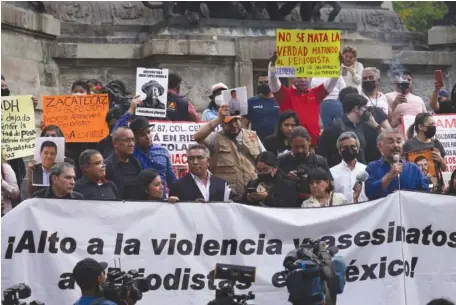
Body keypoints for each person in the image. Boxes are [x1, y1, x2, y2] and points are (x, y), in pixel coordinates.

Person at [194, 105, 265, 201]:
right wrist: (218, 119)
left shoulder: (252, 136)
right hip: (226, 197)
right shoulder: (215, 138)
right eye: (229, 122)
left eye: (236, 121)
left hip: (252, 195)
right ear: (222, 124)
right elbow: (197, 137)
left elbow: (266, 160)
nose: (234, 125)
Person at [268, 51, 339, 145]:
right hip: (292, 145)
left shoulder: (315, 93)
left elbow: (331, 83)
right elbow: (273, 83)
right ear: (292, 79)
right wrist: (272, 66)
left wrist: (338, 65)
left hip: (313, 144)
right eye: (299, 76)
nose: (303, 79)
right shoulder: (285, 94)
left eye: (305, 76)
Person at [113, 98, 176, 199]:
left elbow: (172, 180)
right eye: (142, 134)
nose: (147, 136)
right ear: (135, 138)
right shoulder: (132, 152)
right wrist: (131, 109)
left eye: (148, 132)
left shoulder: (163, 151)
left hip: (162, 202)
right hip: (139, 202)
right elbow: (117, 132)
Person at [365, 129, 429, 200]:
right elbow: (370, 193)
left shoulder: (413, 168)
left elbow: (425, 193)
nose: (396, 145)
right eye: (390, 142)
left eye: (399, 142)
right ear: (380, 146)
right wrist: (389, 176)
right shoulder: (373, 167)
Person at [278, 126, 332, 202]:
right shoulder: (281, 161)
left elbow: (331, 186)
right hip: (289, 206)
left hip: (314, 206)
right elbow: (274, 187)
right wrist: (287, 179)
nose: (300, 150)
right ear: (290, 143)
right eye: (296, 147)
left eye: (303, 146)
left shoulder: (319, 161)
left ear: (309, 142)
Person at [317, 93, 370, 167]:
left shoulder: (360, 126)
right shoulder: (336, 128)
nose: (366, 111)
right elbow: (322, 153)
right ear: (356, 109)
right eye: (364, 108)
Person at [403, 113, 447, 191]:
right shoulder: (408, 145)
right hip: (416, 188)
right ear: (420, 127)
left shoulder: (436, 143)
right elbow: (403, 167)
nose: (433, 127)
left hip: (435, 188)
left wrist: (440, 159)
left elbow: (444, 168)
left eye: (434, 124)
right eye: (431, 124)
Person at [359, 68, 392, 162]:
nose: (367, 80)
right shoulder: (359, 97)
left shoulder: (383, 97)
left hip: (383, 142)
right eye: (364, 78)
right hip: (367, 144)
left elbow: (389, 119)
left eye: (370, 77)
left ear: (378, 81)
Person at [104, 127, 142, 200]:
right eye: (127, 140)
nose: (131, 144)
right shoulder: (107, 166)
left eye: (133, 140)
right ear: (115, 143)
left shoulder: (136, 163)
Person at [330, 132, 368, 204]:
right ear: (339, 151)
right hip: (342, 213)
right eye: (345, 147)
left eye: (352, 146)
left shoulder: (366, 170)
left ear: (358, 148)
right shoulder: (332, 172)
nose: (349, 149)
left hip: (364, 212)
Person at [242, 73, 281, 141]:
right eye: (260, 82)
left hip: (278, 141)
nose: (263, 84)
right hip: (257, 142)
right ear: (257, 84)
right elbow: (244, 124)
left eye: (266, 82)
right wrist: (248, 139)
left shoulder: (280, 101)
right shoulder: (250, 102)